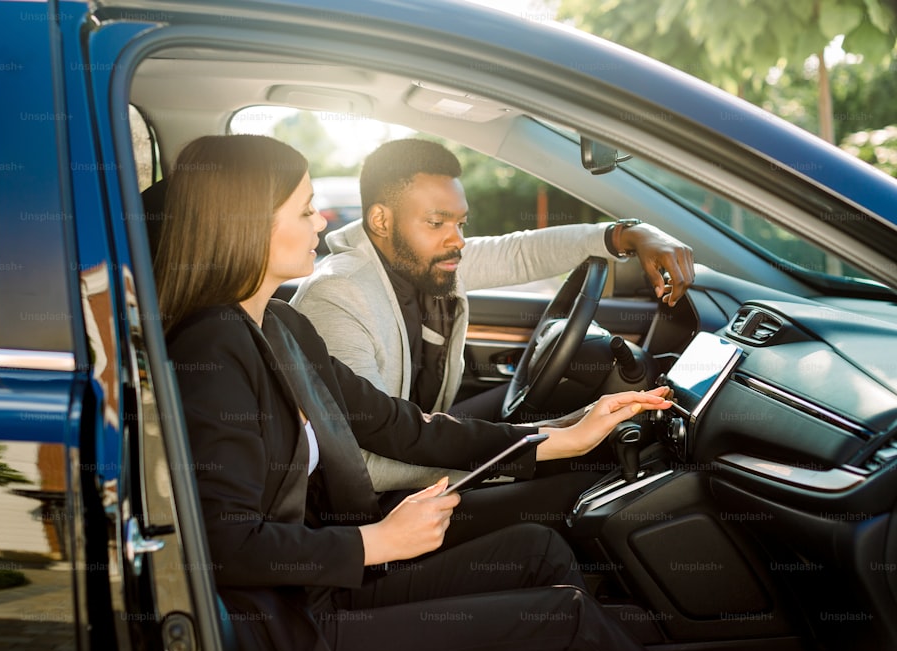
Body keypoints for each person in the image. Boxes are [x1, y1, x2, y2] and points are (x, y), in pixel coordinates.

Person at [155, 134, 671, 651]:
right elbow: (225, 543)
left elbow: (400, 426)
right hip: (287, 629)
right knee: (568, 621)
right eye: (306, 210)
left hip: (320, 584)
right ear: (246, 222)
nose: (322, 224)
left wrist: (557, 439)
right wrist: (377, 542)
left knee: (536, 551)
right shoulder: (212, 349)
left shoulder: (282, 326)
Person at [291, 138, 694, 491]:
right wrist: (520, 460)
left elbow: (521, 252)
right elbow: (364, 464)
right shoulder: (340, 296)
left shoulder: (423, 259)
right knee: (572, 491)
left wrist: (627, 234)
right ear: (381, 220)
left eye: (461, 223)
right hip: (380, 504)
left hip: (424, 433)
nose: (457, 240)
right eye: (437, 222)